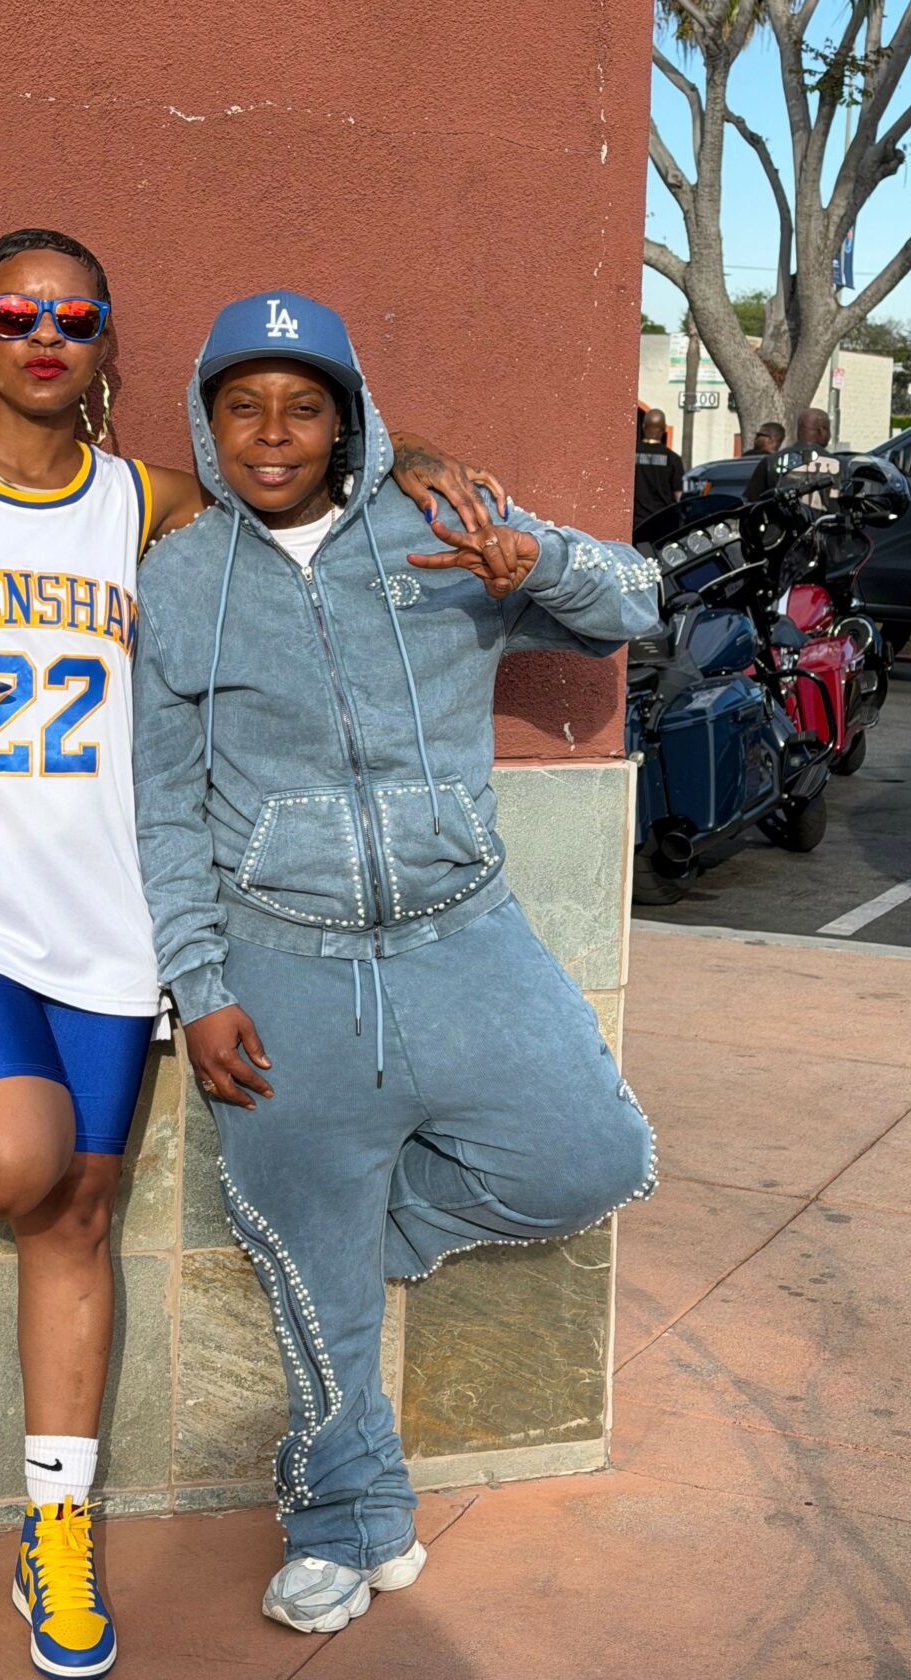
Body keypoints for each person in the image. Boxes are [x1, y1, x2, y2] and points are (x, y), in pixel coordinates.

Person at [0, 232, 494, 1680]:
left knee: (78, 1213)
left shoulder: (146, 504)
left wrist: (406, 450)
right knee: (10, 1161)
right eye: (14, 313)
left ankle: (55, 1534)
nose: (43, 334)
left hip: (107, 919)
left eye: (75, 316)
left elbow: (295, 472)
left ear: (105, 342)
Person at [132, 291, 660, 1639]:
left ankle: (345, 1229)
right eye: (243, 406)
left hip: (463, 936)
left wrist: (533, 562)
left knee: (594, 1156)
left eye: (303, 405)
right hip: (283, 965)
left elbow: (636, 603)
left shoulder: (443, 525)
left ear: (347, 417)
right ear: (205, 420)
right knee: (314, 1285)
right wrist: (200, 985)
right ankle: (342, 1517)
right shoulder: (183, 579)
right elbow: (164, 805)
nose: (272, 433)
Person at [745, 406, 841, 506]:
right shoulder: (841, 465)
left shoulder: (771, 462)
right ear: (821, 431)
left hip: (781, 516)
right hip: (828, 517)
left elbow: (751, 505)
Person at [632, 407, 685, 531]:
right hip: (663, 521)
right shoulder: (673, 459)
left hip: (636, 521)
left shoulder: (630, 456)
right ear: (664, 429)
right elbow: (678, 495)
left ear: (643, 426)